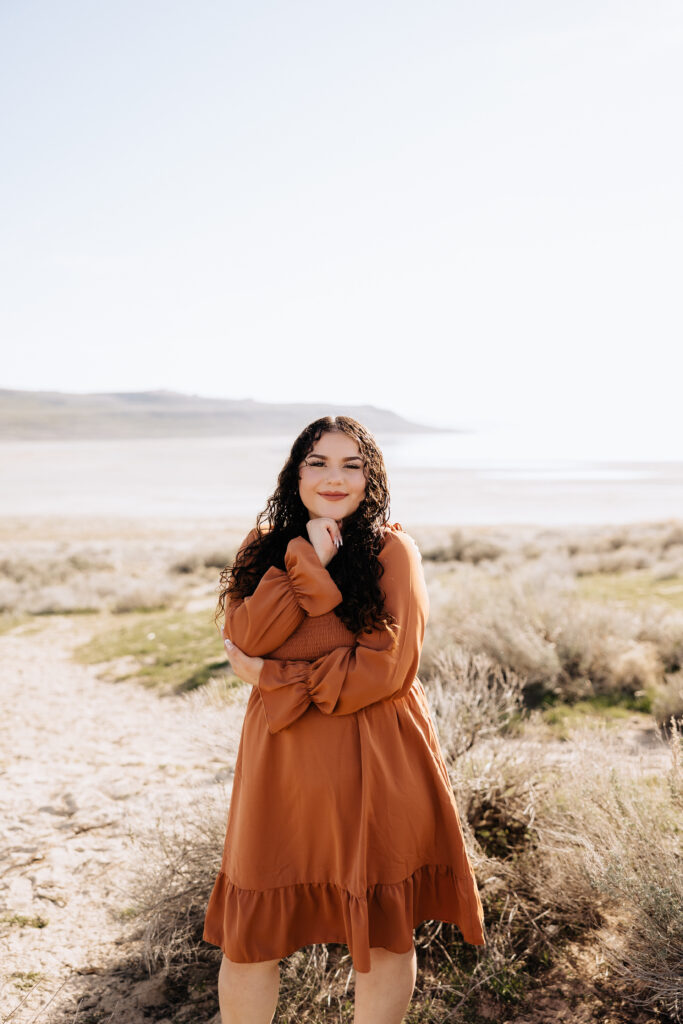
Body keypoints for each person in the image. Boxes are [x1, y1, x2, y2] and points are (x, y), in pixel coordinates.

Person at [203, 416, 486, 1024]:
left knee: (383, 932)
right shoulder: (264, 547)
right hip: (281, 763)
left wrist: (277, 679)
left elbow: (386, 669)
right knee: (251, 933)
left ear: (371, 477)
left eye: (351, 465)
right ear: (295, 472)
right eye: (319, 462)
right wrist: (307, 560)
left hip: (376, 757)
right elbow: (245, 638)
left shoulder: (392, 549)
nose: (335, 477)